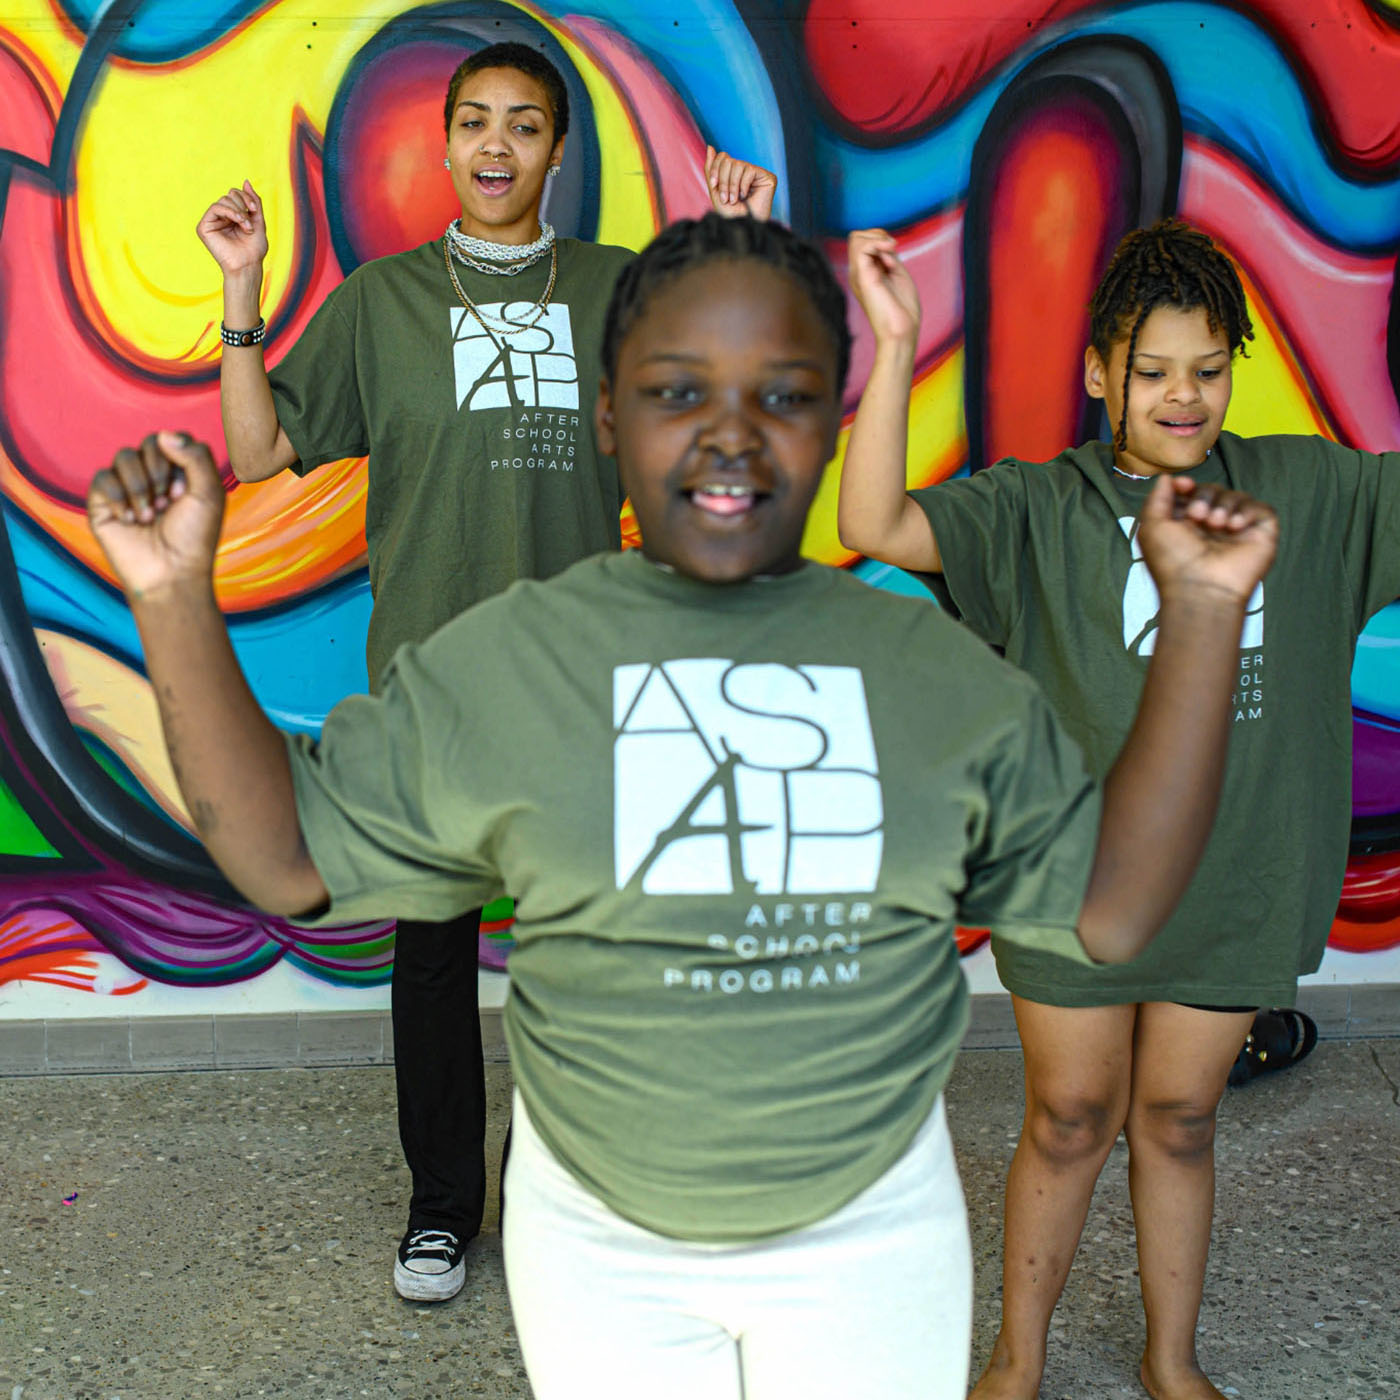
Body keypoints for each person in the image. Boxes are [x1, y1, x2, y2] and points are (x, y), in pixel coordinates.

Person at [88, 213, 1274, 1400]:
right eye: (675, 390)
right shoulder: (510, 661)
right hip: (601, 1241)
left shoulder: (926, 671)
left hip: (870, 1235)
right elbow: (286, 856)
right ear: (609, 417)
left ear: (826, 423)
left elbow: (1114, 912)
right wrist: (171, 594)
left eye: (781, 393)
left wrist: (1207, 614)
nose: (728, 435)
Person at [194, 41, 776, 1301]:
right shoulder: (381, 301)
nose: (498, 145)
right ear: (446, 145)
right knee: (434, 954)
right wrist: (242, 289)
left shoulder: (619, 290)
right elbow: (254, 451)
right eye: (475, 123)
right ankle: (443, 1208)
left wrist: (736, 253)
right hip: (432, 699)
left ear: (558, 153)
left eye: (524, 124)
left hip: (581, 683)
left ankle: (575, 1198)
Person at [836, 218, 1400, 1400]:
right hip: (1072, 883)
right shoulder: (1037, 507)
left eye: (1205, 368)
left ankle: (1169, 1357)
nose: (1180, 397)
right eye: (1150, 372)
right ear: (1098, 371)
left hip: (1233, 876)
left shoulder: (1304, 487)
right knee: (1068, 1114)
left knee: (1180, 1115)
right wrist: (891, 344)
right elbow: (871, 523)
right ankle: (1014, 1355)